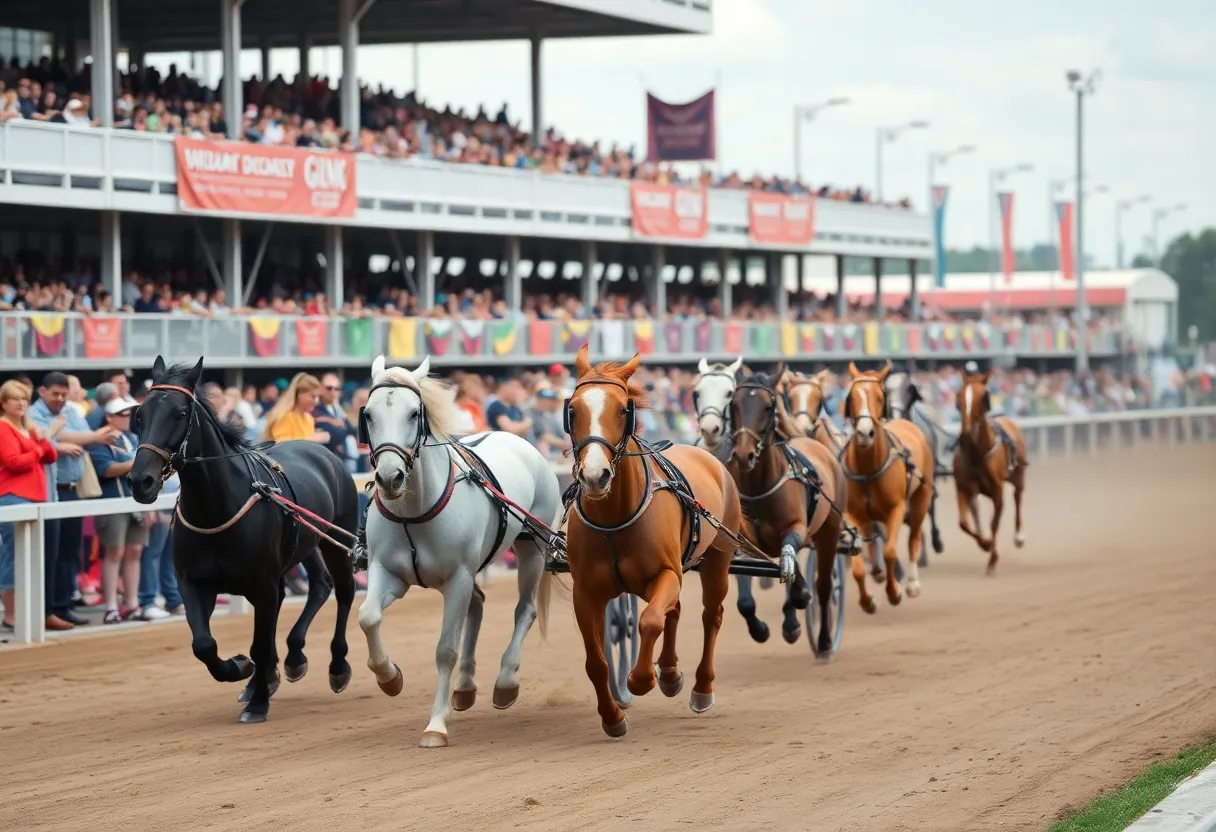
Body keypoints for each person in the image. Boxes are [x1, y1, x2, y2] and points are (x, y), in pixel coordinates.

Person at [29, 371, 120, 628]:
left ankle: (62, 605)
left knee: (69, 552)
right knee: (50, 554)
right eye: (55, 394)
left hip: (72, 489)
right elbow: (54, 437)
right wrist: (81, 438)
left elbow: (75, 435)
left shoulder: (71, 409)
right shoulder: (34, 413)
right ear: (42, 392)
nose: (60, 399)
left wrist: (70, 438)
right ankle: (45, 610)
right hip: (48, 490)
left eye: (63, 394)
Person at [0, 380, 60, 632]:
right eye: (15, 399)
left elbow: (51, 456)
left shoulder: (26, 428)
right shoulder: (3, 428)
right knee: (13, 557)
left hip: (35, 497)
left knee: (32, 557)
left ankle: (26, 610)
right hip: (12, 496)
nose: (22, 402)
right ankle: (11, 613)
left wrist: (40, 440)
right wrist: (38, 445)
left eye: (24, 398)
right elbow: (14, 462)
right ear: (4, 403)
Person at [87, 396, 152, 624]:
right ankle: (111, 606)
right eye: (123, 415)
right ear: (109, 417)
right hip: (112, 501)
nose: (128, 418)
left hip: (134, 501)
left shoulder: (132, 438)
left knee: (135, 551)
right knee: (114, 553)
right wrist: (139, 464)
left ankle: (132, 604)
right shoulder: (100, 440)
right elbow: (105, 469)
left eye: (129, 414)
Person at [261, 373, 330, 444]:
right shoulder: (284, 416)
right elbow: (281, 446)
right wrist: (312, 439)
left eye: (318, 397)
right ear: (298, 394)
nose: (316, 401)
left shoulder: (309, 418)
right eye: (313, 396)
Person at [313, 373, 357, 471]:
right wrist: (338, 426)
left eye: (336, 389)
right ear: (320, 388)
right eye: (329, 388)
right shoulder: (314, 408)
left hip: (343, 459)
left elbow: (350, 428)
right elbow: (334, 434)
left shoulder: (337, 408)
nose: (333, 392)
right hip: (326, 462)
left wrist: (339, 426)